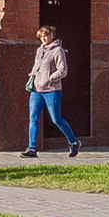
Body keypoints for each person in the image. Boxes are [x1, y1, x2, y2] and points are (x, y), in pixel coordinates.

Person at [25, 25, 80, 159]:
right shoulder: (40, 50)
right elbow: (36, 65)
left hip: (52, 90)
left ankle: (73, 142)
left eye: (46, 35)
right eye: (41, 36)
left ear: (52, 36)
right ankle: (31, 148)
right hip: (36, 89)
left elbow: (63, 70)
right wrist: (33, 75)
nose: (43, 38)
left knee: (56, 119)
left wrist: (50, 78)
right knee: (33, 118)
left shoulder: (58, 51)